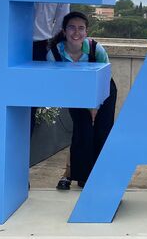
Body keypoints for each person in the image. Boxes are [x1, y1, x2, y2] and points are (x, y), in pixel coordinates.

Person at [47, 12, 117, 189]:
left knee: (102, 132)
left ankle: (98, 174)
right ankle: (80, 174)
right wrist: (83, 103)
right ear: (64, 31)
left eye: (81, 28)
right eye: (71, 27)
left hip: (104, 93)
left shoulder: (96, 49)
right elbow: (56, 83)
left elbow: (105, 78)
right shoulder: (54, 53)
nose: (76, 32)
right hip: (75, 95)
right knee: (83, 131)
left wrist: (95, 105)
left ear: (86, 32)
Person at [26, 0, 70, 135]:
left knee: (31, 101)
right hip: (11, 45)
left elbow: (63, 20)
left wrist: (49, 42)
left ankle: (24, 153)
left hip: (40, 46)